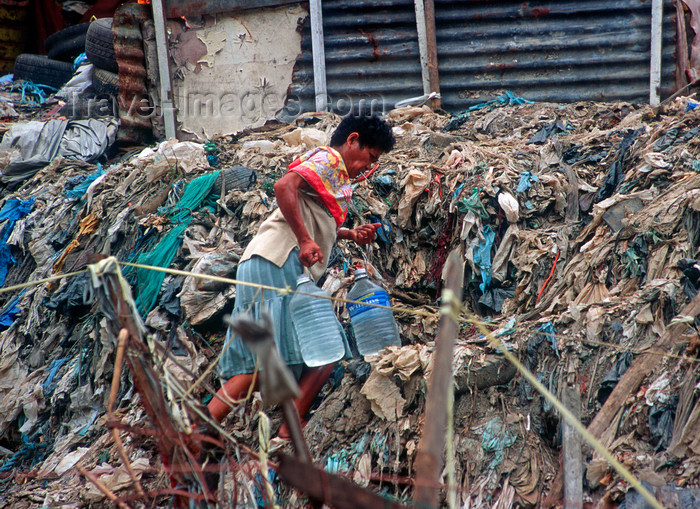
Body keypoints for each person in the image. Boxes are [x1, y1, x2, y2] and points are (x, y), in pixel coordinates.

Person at [208, 113, 395, 435]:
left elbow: (313, 217)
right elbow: (284, 186)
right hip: (278, 262)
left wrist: (349, 234)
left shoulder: (334, 175)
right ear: (352, 140)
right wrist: (305, 240)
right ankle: (268, 428)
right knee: (318, 349)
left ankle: (203, 431)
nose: (369, 166)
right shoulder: (329, 160)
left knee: (282, 357)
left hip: (269, 262)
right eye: (370, 157)